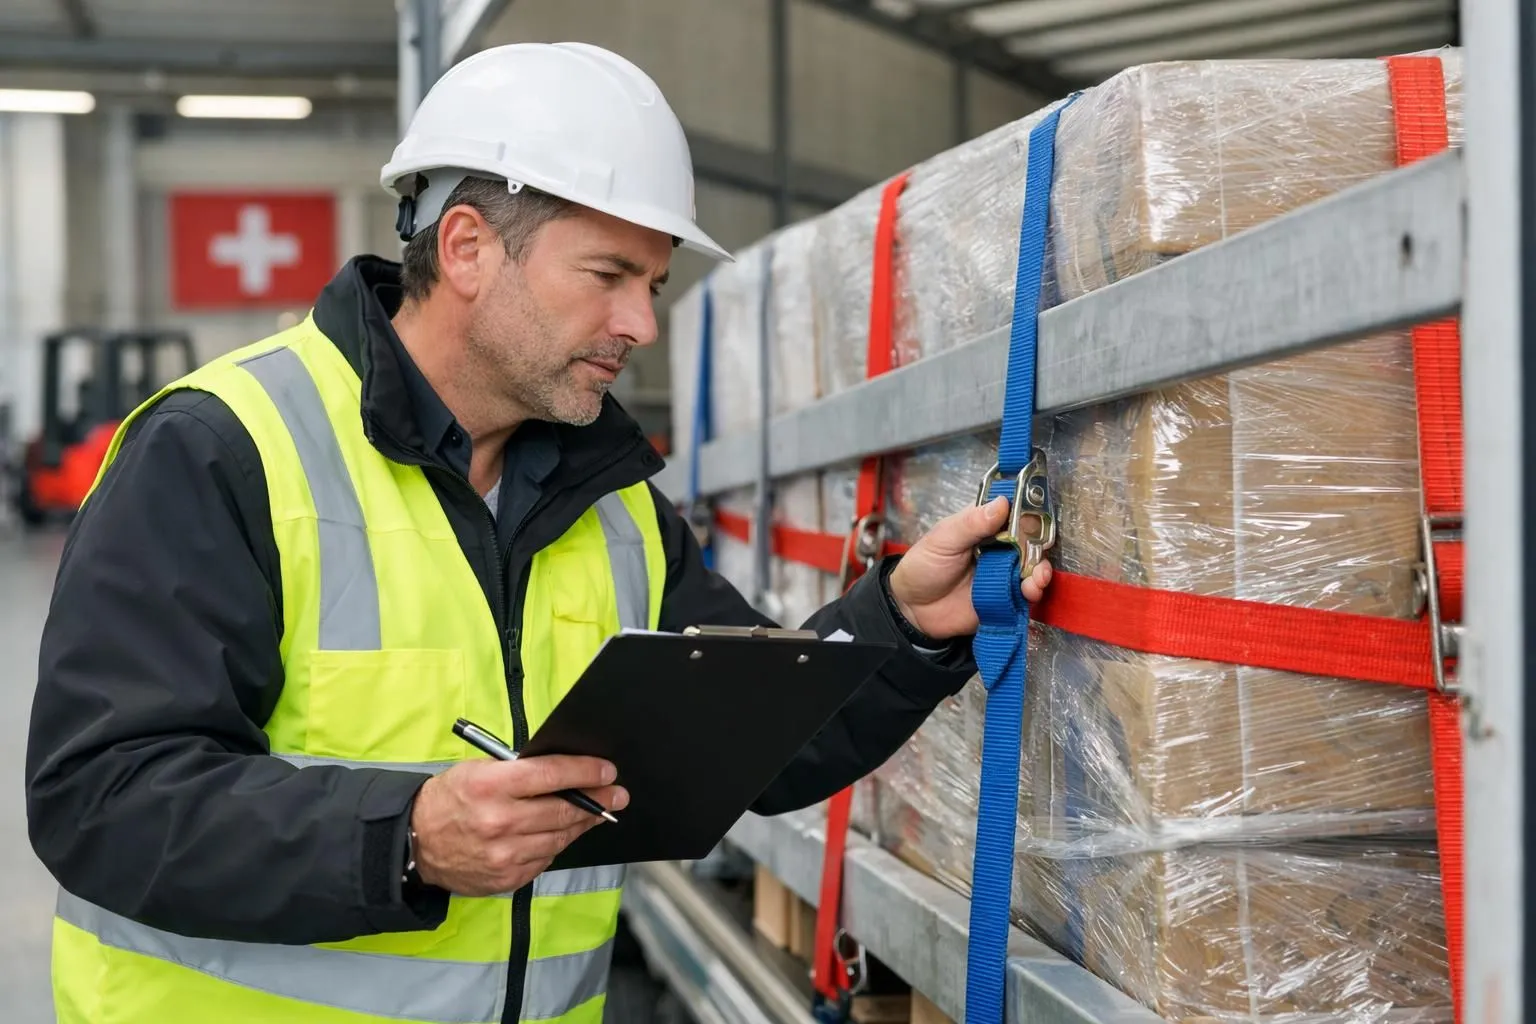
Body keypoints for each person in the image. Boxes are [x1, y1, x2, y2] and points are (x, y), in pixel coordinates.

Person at [24, 41, 1053, 1024]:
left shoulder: (612, 505)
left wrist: (904, 623)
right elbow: (102, 798)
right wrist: (408, 839)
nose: (641, 325)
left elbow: (753, 743)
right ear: (467, 247)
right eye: (607, 276)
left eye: (650, 285)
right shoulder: (223, 450)